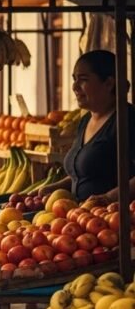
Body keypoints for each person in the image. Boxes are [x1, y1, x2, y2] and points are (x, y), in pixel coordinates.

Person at [38, 50, 134, 203]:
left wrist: (109, 198)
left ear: (109, 83)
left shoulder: (127, 119)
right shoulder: (85, 121)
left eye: (83, 80)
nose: (75, 86)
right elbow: (84, 174)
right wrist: (55, 186)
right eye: (74, 79)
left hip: (112, 221)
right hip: (79, 218)